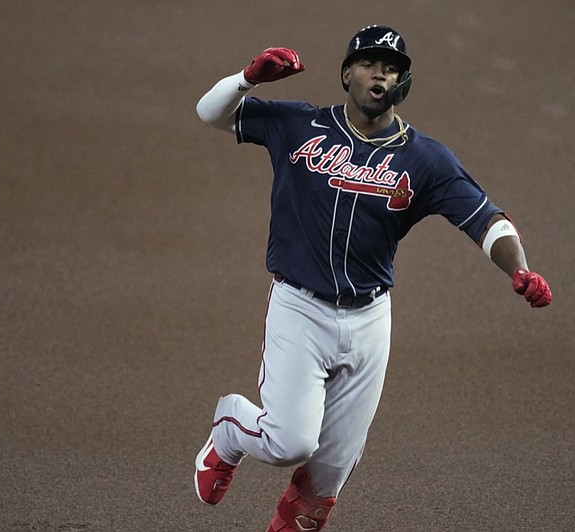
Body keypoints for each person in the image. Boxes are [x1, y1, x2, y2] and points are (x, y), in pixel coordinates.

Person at [192, 24, 552, 531]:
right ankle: (229, 431)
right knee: (289, 441)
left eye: (392, 67)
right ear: (346, 74)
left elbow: (487, 218)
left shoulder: (424, 158)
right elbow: (210, 114)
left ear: (402, 83)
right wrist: (248, 77)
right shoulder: (299, 125)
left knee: (327, 479)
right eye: (368, 62)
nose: (380, 71)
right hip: (300, 307)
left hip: (369, 322)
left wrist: (520, 269)